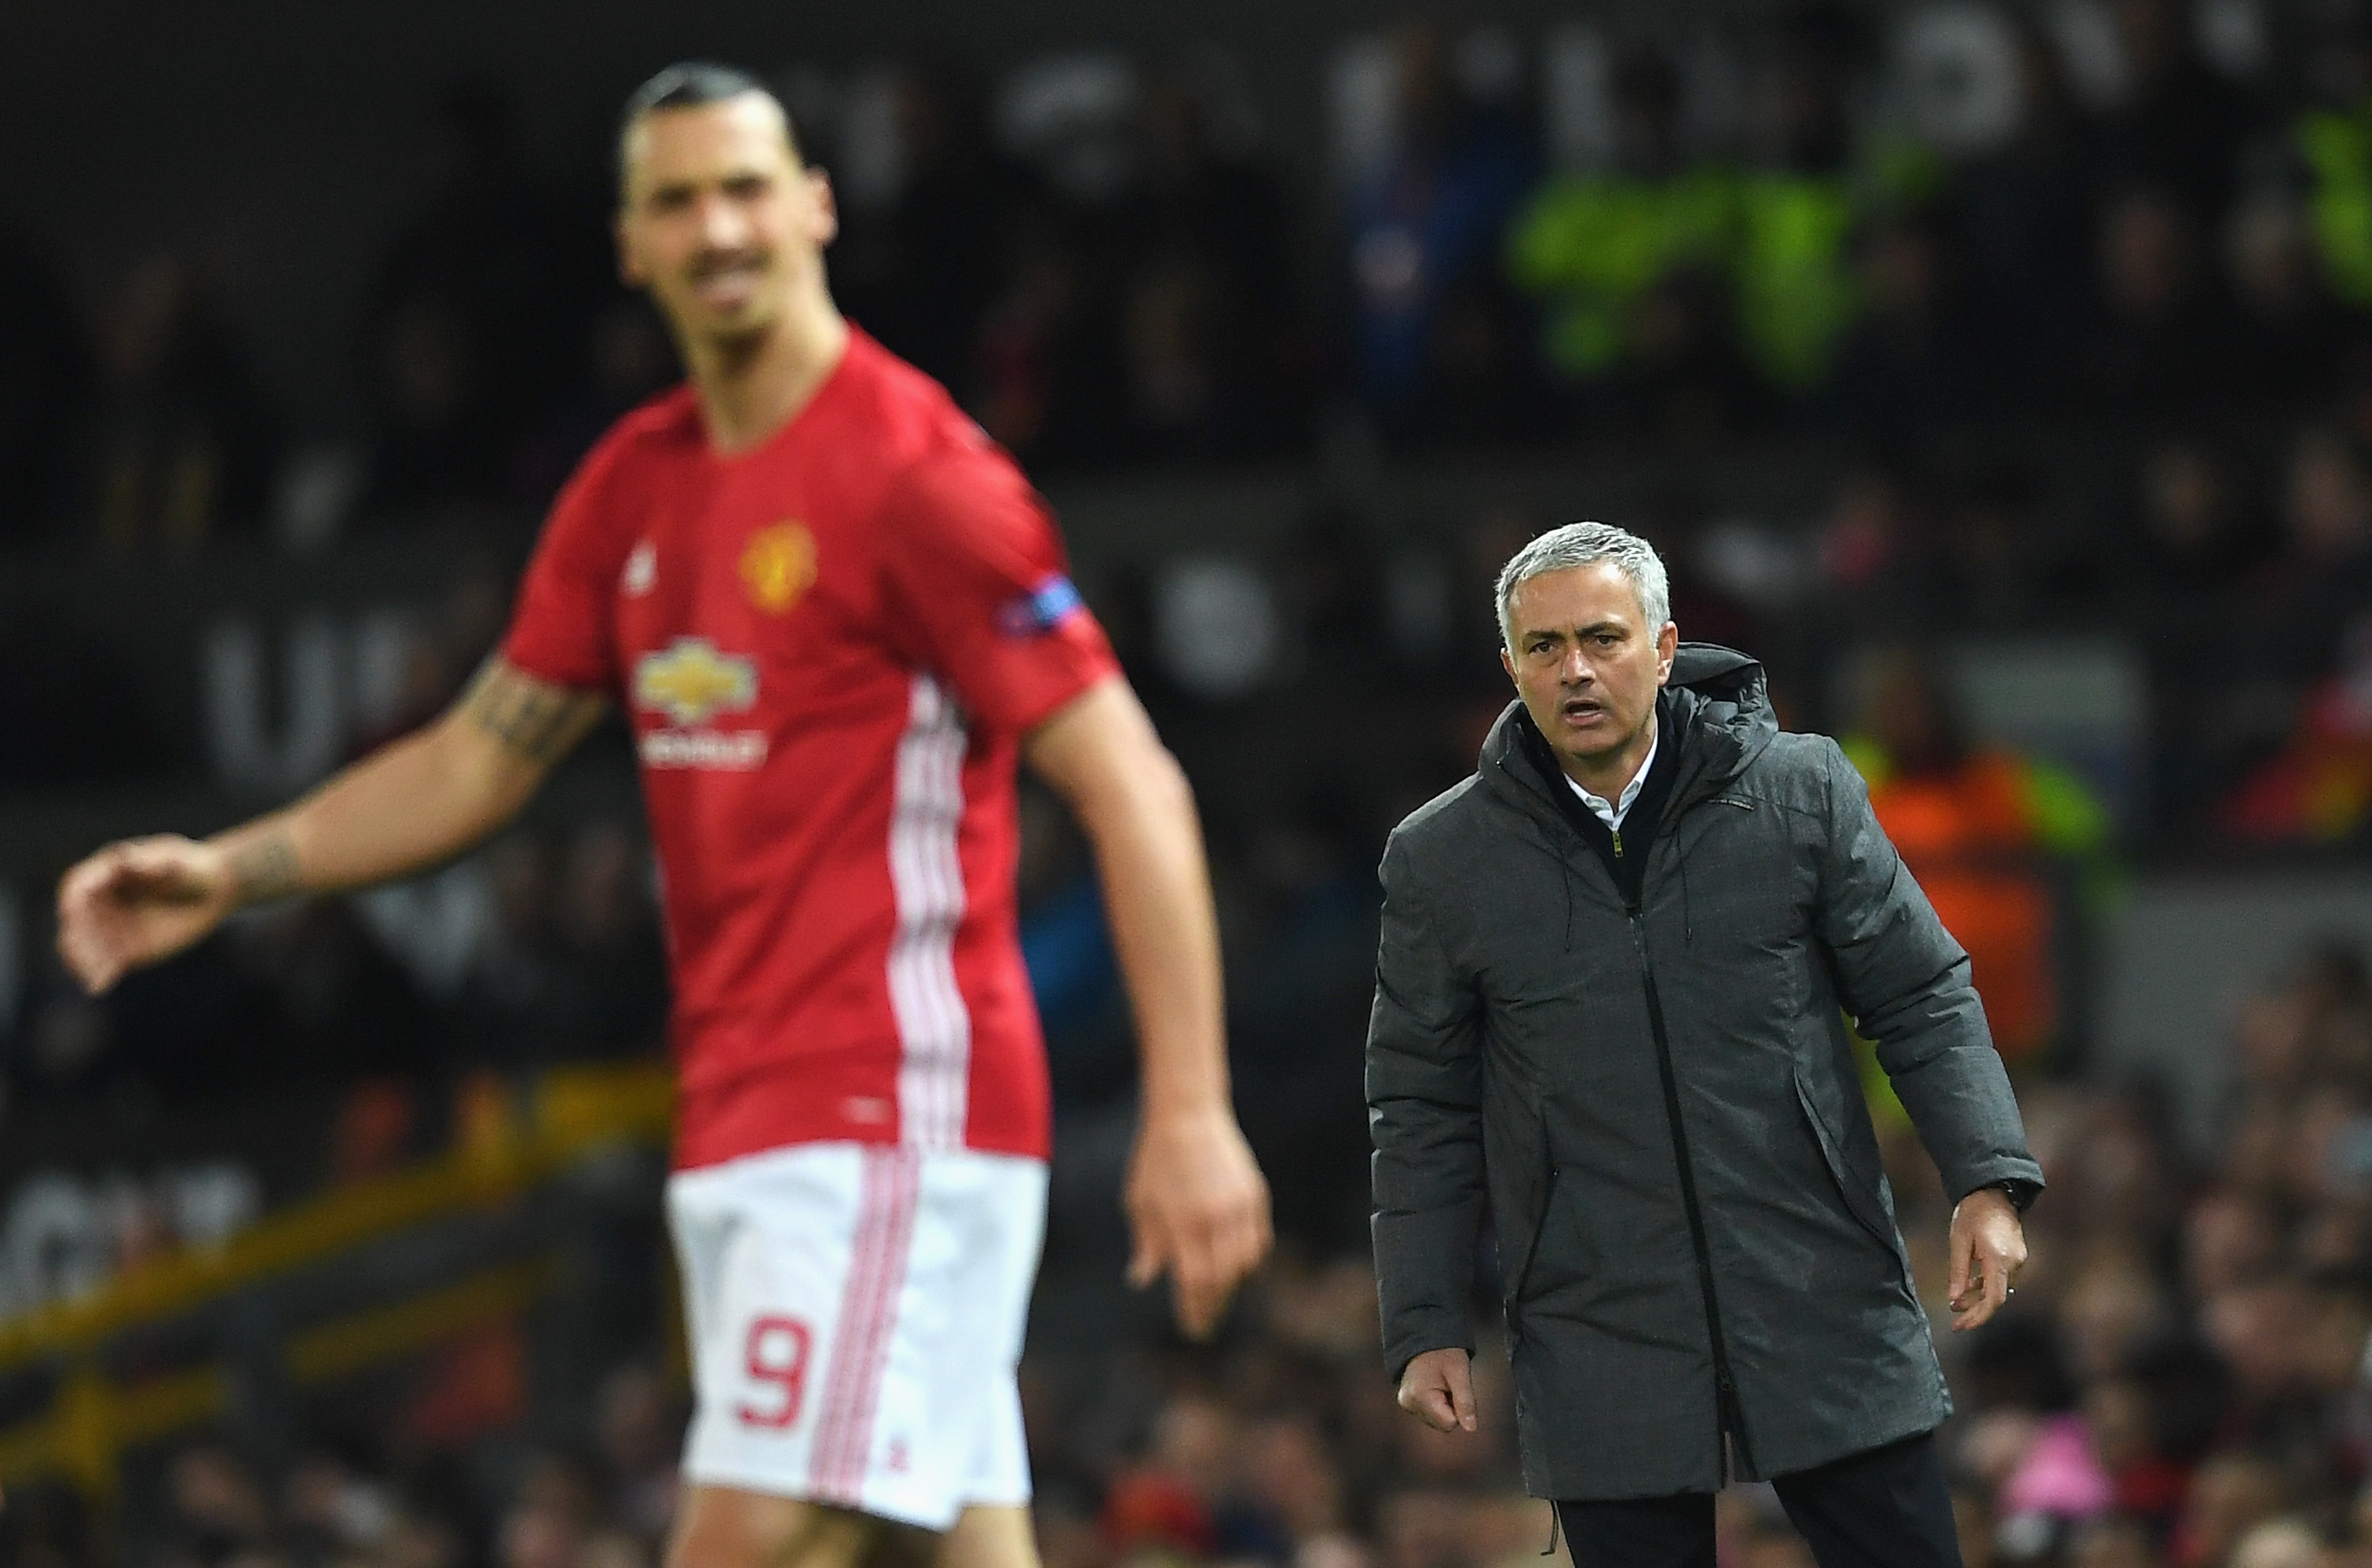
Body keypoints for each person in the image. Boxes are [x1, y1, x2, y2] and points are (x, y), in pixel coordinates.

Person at [54, 62, 1271, 1568]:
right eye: (678, 202)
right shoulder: (630, 490)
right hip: (745, 1110)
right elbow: (477, 759)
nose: (719, 229)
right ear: (630, 244)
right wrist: (230, 873)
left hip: (890, 1102)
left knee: (751, 1534)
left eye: (747, 189)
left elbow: (1133, 781)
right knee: (947, 1544)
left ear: (816, 207)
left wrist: (1190, 1107)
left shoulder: (916, 475)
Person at [1366, 521, 2042, 1568]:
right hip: (1595, 1328)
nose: (1576, 669)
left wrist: (1986, 1182)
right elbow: (1421, 1109)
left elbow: (1919, 994)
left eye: (1603, 637)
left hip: (1818, 1290)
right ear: (1511, 669)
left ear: (1665, 647)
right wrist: (1425, 1324)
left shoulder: (1801, 791)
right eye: (1545, 647)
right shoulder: (1442, 860)